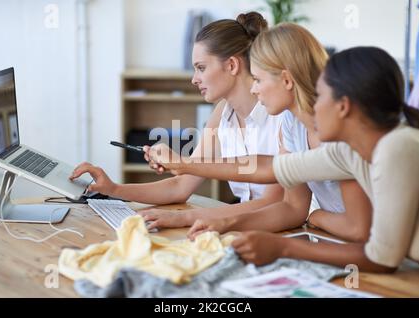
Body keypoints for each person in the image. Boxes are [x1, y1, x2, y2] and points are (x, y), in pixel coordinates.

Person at [149, 46, 419, 272]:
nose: (314, 105)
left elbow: (381, 259)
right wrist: (183, 164)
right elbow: (270, 167)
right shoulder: (348, 151)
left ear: (343, 107)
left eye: (321, 97)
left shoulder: (398, 148)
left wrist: (282, 247)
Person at [148, 23, 372, 243]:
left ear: (286, 80)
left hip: (365, 249)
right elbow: (292, 206)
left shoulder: (338, 131)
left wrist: (316, 216)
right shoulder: (291, 123)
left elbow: (358, 230)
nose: (254, 88)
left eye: (257, 80)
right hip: (332, 239)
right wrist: (227, 224)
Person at [70, 12, 284, 229]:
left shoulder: (279, 113)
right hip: (245, 226)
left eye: (201, 68)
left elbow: (272, 203)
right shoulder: (222, 114)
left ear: (231, 65)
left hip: (285, 229)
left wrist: (184, 218)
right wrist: (114, 189)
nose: (194, 79)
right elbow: (182, 185)